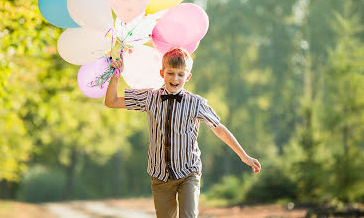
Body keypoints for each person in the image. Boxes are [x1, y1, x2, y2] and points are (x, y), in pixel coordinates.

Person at [105, 47, 261, 218]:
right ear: (161, 73)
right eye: (170, 73)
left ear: (188, 76)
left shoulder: (196, 103)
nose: (175, 78)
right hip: (160, 176)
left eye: (180, 74)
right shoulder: (150, 97)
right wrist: (116, 75)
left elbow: (220, 130)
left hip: (188, 173)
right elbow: (111, 101)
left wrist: (244, 156)